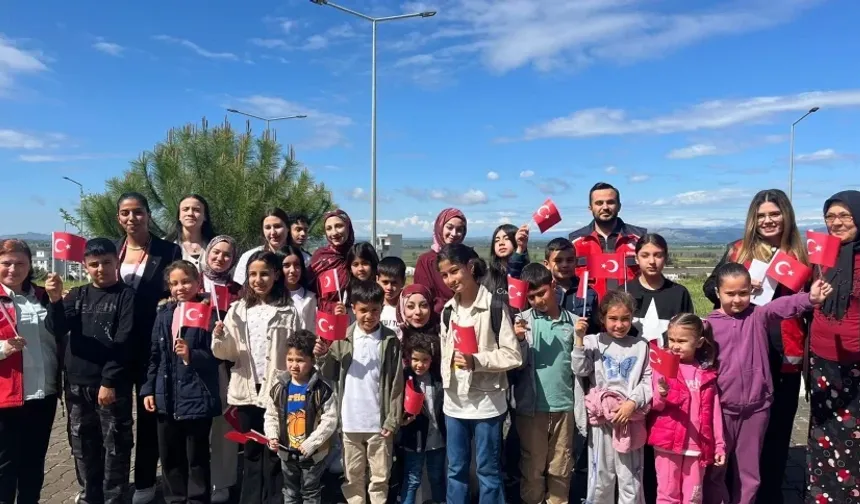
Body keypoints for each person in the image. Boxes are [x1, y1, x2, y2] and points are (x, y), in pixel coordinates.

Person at [701, 189, 809, 504]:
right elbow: (710, 287)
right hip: (742, 352)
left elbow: (811, 304)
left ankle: (769, 495)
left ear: (786, 216)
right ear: (753, 219)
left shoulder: (802, 255)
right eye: (761, 215)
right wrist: (744, 288)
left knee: (776, 434)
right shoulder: (738, 250)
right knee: (733, 438)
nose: (768, 220)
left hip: (785, 353)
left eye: (774, 214)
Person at [703, 263, 832, 504]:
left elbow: (783, 306)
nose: (737, 299)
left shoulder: (758, 315)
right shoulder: (708, 325)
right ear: (718, 292)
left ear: (751, 291)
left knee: (749, 473)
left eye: (743, 293)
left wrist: (810, 298)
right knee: (716, 469)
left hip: (757, 409)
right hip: (721, 411)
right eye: (730, 293)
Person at [45, 238, 136, 504]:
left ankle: (114, 497)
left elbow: (125, 340)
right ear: (85, 266)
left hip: (110, 385)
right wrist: (54, 300)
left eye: (106, 262)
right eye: (94, 264)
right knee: (82, 445)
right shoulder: (77, 295)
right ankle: (89, 495)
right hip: (76, 384)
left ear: (116, 262)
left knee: (115, 445)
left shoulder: (127, 296)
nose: (101, 269)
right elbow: (57, 328)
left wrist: (109, 381)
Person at [212, 251, 302, 504]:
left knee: (275, 450)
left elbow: (296, 350)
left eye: (264, 274)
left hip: (277, 388)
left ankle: (274, 498)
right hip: (246, 389)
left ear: (276, 275)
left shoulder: (288, 310)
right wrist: (220, 337)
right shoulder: (238, 310)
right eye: (252, 274)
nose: (258, 280)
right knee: (251, 449)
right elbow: (227, 354)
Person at [436, 244, 522, 504]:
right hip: (454, 403)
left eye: (455, 271)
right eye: (444, 275)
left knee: (488, 471)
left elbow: (513, 355)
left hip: (487, 404)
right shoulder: (448, 310)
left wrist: (477, 361)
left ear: (470, 267)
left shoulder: (494, 306)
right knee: (456, 470)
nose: (450, 279)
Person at [115, 192, 183, 504]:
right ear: (119, 217)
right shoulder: (112, 249)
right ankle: (114, 481)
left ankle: (144, 480)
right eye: (126, 213)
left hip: (151, 344)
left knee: (148, 412)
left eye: (138, 212)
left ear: (148, 215)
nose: (132, 218)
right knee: (115, 417)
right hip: (116, 347)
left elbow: (176, 291)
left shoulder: (168, 251)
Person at [314, 281, 403, 504]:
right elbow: (330, 373)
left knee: (380, 476)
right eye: (363, 310)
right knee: (353, 475)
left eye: (375, 310)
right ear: (353, 308)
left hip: (379, 422)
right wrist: (323, 355)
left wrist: (392, 419)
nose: (369, 316)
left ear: (382, 308)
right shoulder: (342, 337)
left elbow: (396, 383)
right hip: (350, 421)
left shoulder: (390, 340)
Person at [142, 260, 221, 504]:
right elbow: (154, 356)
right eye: (174, 283)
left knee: (196, 458)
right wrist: (149, 389)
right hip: (166, 398)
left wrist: (191, 355)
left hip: (197, 398)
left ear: (198, 282)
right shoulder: (164, 314)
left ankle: (197, 500)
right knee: (170, 457)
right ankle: (175, 499)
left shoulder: (209, 314)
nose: (180, 288)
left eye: (186, 282)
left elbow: (218, 356)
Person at [512, 263, 588, 504]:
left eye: (541, 293)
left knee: (561, 465)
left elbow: (581, 369)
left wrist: (579, 339)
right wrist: (519, 340)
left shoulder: (574, 322)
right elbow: (518, 365)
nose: (537, 301)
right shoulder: (522, 321)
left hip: (564, 406)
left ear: (553, 285)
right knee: (532, 466)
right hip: (531, 408)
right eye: (531, 297)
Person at [572, 290, 652, 504]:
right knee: (601, 477)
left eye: (625, 319)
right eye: (613, 318)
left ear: (632, 317)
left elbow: (647, 381)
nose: (619, 324)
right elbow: (580, 369)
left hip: (630, 420)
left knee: (631, 478)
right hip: (602, 423)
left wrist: (631, 404)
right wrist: (579, 339)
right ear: (602, 318)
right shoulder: (593, 342)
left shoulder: (641, 346)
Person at [806, 190, 860, 503]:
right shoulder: (822, 256)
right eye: (830, 216)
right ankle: (824, 495)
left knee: (853, 438)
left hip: (856, 363)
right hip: (822, 361)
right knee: (824, 432)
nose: (836, 223)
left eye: (844, 216)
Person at [0, 239, 58, 504]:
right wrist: (3, 348)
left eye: (20, 263)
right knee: (5, 466)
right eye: (6, 263)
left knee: (33, 464)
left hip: (43, 393)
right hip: (7, 396)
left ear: (30, 265)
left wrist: (58, 300)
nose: (13, 269)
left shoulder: (43, 296)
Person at [542, 237, 598, 503]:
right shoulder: (543, 291)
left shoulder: (589, 293)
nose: (564, 265)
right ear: (547, 263)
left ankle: (574, 492)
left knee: (575, 436)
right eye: (558, 260)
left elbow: (596, 332)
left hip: (578, 373)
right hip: (549, 370)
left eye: (569, 260)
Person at [648, 314, 725, 504]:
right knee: (667, 494)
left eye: (682, 341)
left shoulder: (705, 373)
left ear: (699, 342)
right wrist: (661, 394)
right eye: (672, 339)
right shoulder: (663, 366)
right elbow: (655, 405)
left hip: (696, 446)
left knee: (693, 496)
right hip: (667, 443)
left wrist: (719, 445)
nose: (675, 345)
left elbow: (714, 412)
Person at [264, 330, 338, 504]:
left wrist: (312, 443)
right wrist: (272, 436)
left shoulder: (322, 389)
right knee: (290, 492)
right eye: (290, 359)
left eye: (300, 360)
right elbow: (271, 415)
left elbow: (330, 420)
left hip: (312, 455)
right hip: (287, 453)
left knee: (310, 492)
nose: (294, 365)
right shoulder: (279, 388)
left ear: (312, 360)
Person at [200, 236, 242, 503]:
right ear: (207, 253)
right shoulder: (193, 281)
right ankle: (197, 480)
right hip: (194, 361)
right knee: (196, 426)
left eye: (227, 255)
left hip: (225, 364)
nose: (220, 258)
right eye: (216, 252)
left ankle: (222, 481)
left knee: (224, 422)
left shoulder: (237, 289)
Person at [570, 182, 646, 298]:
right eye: (599, 203)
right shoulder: (575, 242)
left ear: (619, 206)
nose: (605, 207)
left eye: (610, 202)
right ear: (590, 208)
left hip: (631, 307)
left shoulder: (640, 238)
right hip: (589, 309)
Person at [398, 331, 446, 504]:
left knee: (437, 477)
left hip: (437, 440)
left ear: (432, 360)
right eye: (415, 359)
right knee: (412, 478)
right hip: (414, 438)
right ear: (408, 358)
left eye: (425, 360)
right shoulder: (404, 378)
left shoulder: (438, 378)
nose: (420, 364)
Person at [626, 234, 695, 346]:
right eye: (645, 255)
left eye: (658, 255)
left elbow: (688, 331)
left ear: (666, 258)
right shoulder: (624, 292)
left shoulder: (679, 293)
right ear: (636, 258)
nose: (652, 261)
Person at [414, 208, 467, 314]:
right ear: (440, 227)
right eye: (449, 227)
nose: (454, 233)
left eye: (459, 229)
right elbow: (422, 296)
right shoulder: (426, 261)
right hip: (436, 319)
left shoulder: (467, 257)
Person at [309, 210, 355, 315]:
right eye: (329, 228)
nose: (334, 233)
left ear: (348, 227)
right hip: (324, 318)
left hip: (355, 318)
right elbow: (308, 293)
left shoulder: (357, 257)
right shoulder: (320, 257)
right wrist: (331, 307)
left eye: (339, 226)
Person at [234, 208, 291, 286]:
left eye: (277, 226)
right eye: (268, 227)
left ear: (288, 228)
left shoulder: (302, 258)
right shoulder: (249, 256)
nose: (273, 232)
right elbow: (239, 287)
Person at [164, 194, 218, 272]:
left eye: (196, 210)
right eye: (185, 209)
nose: (190, 213)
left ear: (205, 216)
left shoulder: (217, 245)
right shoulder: (165, 245)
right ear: (179, 216)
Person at [484, 223, 530, 297]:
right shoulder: (486, 276)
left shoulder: (527, 274)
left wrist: (520, 249)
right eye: (497, 240)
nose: (501, 243)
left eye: (506, 239)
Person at [281, 245, 316, 330]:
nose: (292, 270)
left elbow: (312, 329)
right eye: (286, 266)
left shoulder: (310, 298)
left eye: (297, 265)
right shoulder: (271, 297)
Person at [377, 256, 406, 339]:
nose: (389, 287)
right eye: (385, 282)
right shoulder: (372, 306)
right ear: (377, 279)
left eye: (394, 283)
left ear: (403, 281)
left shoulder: (407, 307)